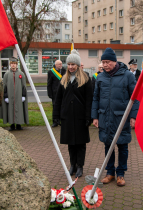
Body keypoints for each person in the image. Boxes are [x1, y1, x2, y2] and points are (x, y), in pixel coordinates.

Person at [91, 48, 139, 186]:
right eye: (103, 62)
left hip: (121, 119)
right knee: (108, 146)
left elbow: (135, 97)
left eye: (107, 62)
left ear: (114, 61)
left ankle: (121, 174)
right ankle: (110, 172)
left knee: (122, 146)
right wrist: (95, 116)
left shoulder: (128, 76)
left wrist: (133, 116)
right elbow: (96, 98)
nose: (105, 65)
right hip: (105, 118)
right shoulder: (100, 77)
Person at [53, 50, 93, 178]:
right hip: (68, 117)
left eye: (73, 64)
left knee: (80, 144)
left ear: (77, 65)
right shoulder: (63, 79)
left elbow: (89, 100)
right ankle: (72, 165)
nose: (70, 67)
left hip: (81, 117)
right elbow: (58, 99)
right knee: (71, 143)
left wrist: (88, 117)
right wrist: (56, 116)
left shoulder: (86, 78)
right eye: (69, 64)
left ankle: (80, 166)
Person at [1, 57, 29, 131]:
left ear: (17, 65)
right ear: (10, 65)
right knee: (10, 109)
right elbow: (5, 86)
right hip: (10, 96)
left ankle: (19, 124)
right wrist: (6, 96)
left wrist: (23, 95)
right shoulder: (6, 74)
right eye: (12, 64)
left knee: (19, 109)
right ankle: (12, 124)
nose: (13, 65)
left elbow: (24, 86)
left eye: (14, 64)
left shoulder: (21, 74)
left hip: (19, 96)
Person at [47, 60, 66, 127]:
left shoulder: (64, 71)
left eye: (61, 64)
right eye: (59, 64)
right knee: (55, 107)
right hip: (55, 93)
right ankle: (55, 121)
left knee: (63, 106)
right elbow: (49, 84)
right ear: (56, 65)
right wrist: (50, 93)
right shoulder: (51, 72)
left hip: (63, 92)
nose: (61, 65)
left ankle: (62, 120)